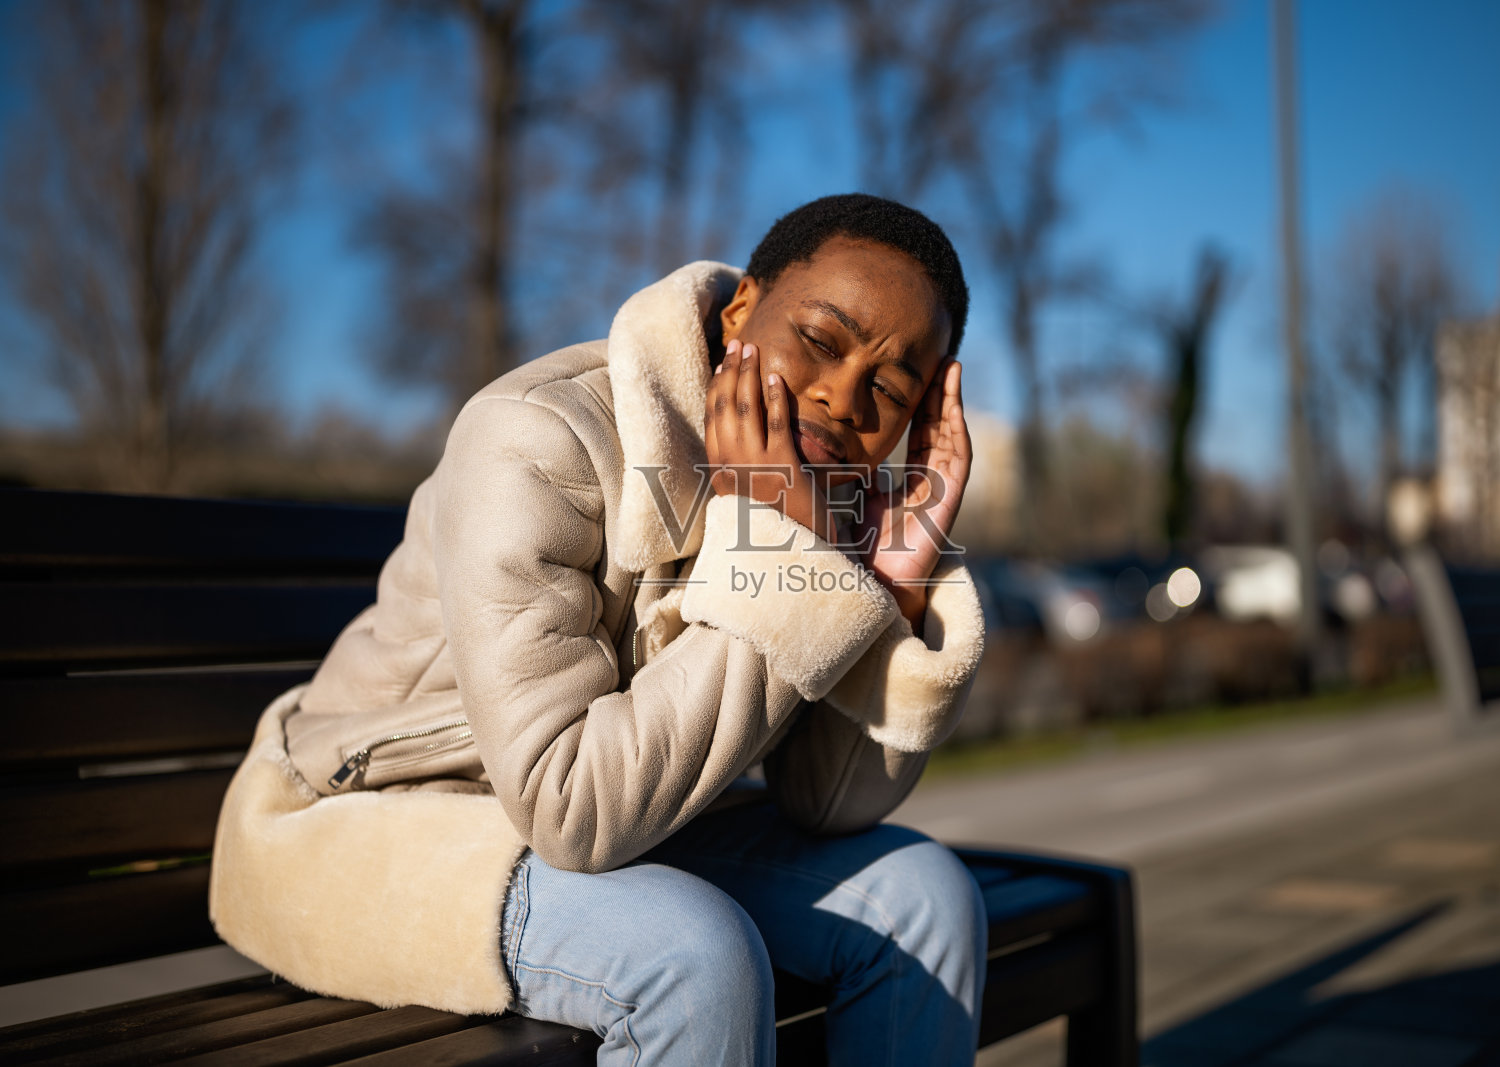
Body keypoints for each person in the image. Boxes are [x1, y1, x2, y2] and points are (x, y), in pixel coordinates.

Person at [209, 193, 989, 1066]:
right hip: (372, 824)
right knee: (691, 953)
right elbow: (570, 812)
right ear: (740, 312)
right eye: (820, 338)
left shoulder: (819, 493)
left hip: (619, 830)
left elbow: (827, 803)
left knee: (925, 898)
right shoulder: (538, 436)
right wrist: (789, 558)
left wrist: (893, 586)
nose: (841, 397)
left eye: (888, 387)